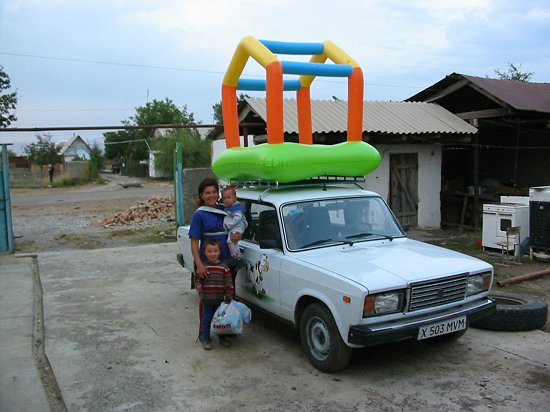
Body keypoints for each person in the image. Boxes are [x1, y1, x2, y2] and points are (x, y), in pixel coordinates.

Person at [188, 178, 242, 338]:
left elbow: (236, 227)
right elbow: (194, 242)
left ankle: (226, 330)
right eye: (207, 193)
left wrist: (237, 236)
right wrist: (199, 265)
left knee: (227, 297)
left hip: (227, 262)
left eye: (214, 192)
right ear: (202, 195)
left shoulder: (226, 209)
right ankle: (204, 333)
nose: (211, 195)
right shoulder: (200, 215)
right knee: (207, 300)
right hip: (208, 264)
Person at [194, 239, 234, 350]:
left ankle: (222, 338)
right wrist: (199, 288)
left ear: (219, 252)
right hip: (207, 300)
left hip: (220, 301)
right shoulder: (203, 267)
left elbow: (229, 282)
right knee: (206, 320)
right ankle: (205, 338)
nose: (212, 254)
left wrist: (229, 295)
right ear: (205, 253)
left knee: (221, 321)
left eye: (215, 251)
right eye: (209, 251)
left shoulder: (224, 267)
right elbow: (197, 280)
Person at [221, 185, 247, 259]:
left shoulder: (236, 208)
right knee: (232, 241)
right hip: (234, 227)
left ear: (235, 198)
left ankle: (236, 255)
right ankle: (236, 254)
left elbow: (238, 218)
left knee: (230, 241)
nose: (226, 200)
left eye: (229, 197)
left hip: (237, 227)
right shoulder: (229, 207)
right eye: (224, 198)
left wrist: (229, 225)